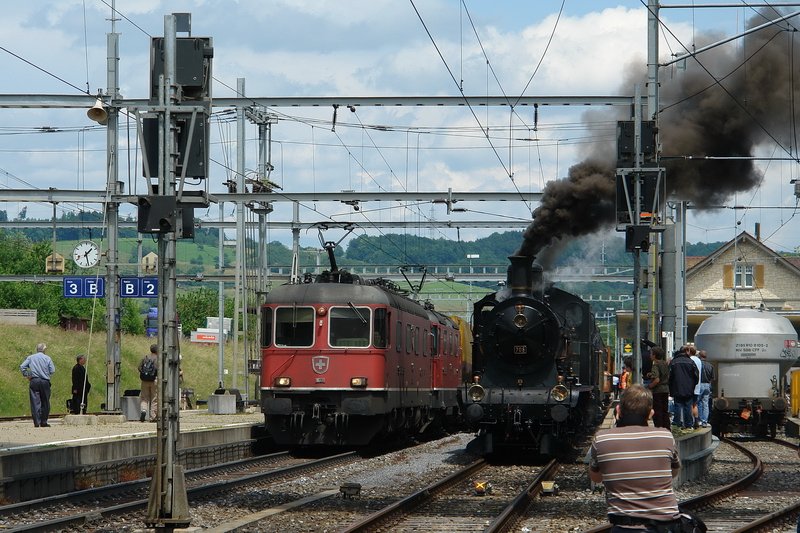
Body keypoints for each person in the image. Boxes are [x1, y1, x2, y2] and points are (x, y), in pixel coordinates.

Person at [589, 384, 681, 531]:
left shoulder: (602, 439)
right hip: (665, 525)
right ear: (651, 413)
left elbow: (596, 477)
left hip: (625, 525)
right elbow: (674, 473)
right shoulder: (665, 436)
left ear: (618, 410)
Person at [20, 342, 56, 428]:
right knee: (45, 401)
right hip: (44, 381)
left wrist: (27, 375)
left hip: (34, 380)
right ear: (44, 350)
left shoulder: (31, 357)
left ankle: (36, 422)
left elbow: (22, 366)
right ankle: (44, 422)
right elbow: (52, 370)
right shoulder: (47, 358)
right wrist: (46, 373)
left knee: (35, 401)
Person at [669, 346, 699, 430]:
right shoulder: (691, 362)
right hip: (689, 388)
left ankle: (677, 423)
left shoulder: (674, 362)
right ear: (686, 351)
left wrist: (671, 387)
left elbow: (670, 376)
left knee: (677, 405)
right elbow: (696, 376)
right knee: (688, 406)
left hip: (676, 387)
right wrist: (693, 384)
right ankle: (688, 424)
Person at [647, 346, 671, 429]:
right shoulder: (665, 364)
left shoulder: (655, 365)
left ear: (654, 355)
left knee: (658, 411)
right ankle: (667, 428)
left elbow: (657, 380)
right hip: (666, 389)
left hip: (658, 391)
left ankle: (659, 428)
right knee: (665, 411)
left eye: (650, 354)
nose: (650, 355)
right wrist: (650, 374)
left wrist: (649, 386)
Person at [138, 344, 159, 422]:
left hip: (144, 380)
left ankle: (143, 410)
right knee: (155, 399)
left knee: (144, 397)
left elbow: (139, 367)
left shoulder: (145, 357)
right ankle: (152, 417)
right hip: (155, 380)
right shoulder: (158, 358)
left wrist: (145, 374)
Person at [697, 350, 713, 427]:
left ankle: (699, 420)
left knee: (698, 402)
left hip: (699, 384)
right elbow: (712, 377)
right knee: (705, 404)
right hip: (707, 385)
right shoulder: (710, 365)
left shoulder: (698, 364)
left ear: (699, 356)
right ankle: (705, 421)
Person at [689, 345, 703, 428]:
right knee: (695, 404)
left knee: (689, 404)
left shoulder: (690, 360)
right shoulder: (699, 360)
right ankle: (697, 420)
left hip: (690, 386)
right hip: (697, 386)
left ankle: (691, 421)